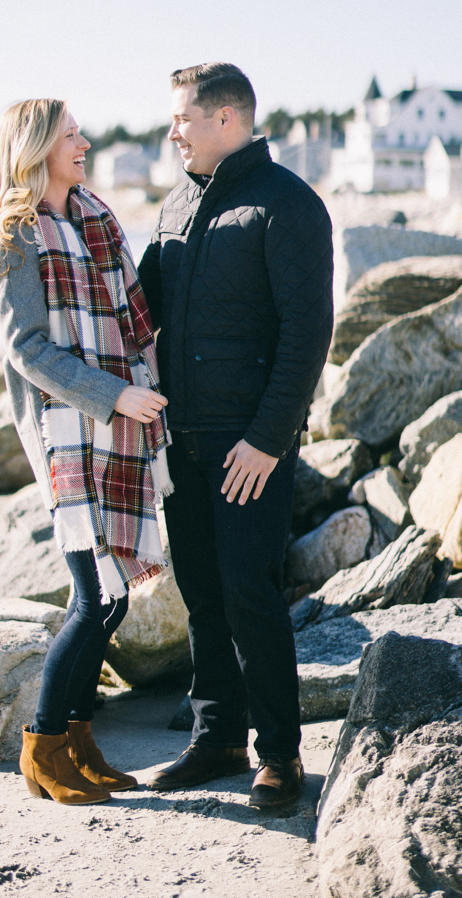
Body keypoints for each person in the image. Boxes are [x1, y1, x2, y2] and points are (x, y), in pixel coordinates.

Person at [138, 62, 334, 809]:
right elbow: (142, 309)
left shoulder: (289, 205)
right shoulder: (176, 202)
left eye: (182, 119)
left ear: (226, 120)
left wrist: (268, 439)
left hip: (248, 444)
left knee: (251, 592)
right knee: (201, 593)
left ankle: (278, 756)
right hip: (180, 437)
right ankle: (216, 736)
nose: (172, 132)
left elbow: (307, 334)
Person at [0, 98, 170, 806]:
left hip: (119, 428)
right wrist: (114, 396)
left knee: (113, 604)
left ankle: (79, 741)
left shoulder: (96, 216)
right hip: (68, 430)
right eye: (70, 134)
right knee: (94, 598)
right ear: (35, 148)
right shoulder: (14, 235)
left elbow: (136, 312)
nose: (84, 141)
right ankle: (42, 747)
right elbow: (26, 349)